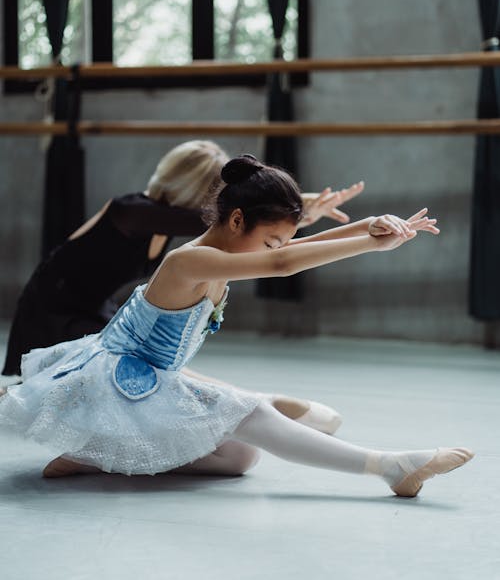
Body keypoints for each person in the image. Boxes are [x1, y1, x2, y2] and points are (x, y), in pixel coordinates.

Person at [0, 155, 473, 497]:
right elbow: (285, 263)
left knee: (239, 458)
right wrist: (368, 245)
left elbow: (290, 249)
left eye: (277, 242)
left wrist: (369, 225)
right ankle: (389, 466)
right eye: (267, 240)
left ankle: (94, 453)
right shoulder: (188, 261)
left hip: (152, 382)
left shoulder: (226, 254)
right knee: (251, 418)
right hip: (118, 383)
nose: (272, 250)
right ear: (237, 219)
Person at [1, 140, 363, 434]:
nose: (219, 196)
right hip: (52, 308)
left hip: (95, 307)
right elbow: (233, 219)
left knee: (154, 376)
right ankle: (260, 404)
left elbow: (243, 224)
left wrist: (292, 214)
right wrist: (297, 209)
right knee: (77, 385)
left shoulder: (171, 227)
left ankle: (257, 405)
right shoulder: (133, 210)